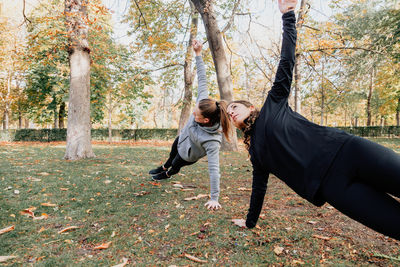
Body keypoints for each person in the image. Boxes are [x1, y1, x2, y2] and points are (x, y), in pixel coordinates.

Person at [229, 0, 400, 241]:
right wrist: (249, 222)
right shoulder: (256, 153)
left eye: (234, 107)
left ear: (250, 106)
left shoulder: (273, 104)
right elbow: (259, 189)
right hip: (335, 188)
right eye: (228, 115)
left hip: (348, 151)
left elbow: (286, 61)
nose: (231, 113)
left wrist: (288, 16)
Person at [149, 39, 231, 210]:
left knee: (177, 162)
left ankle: (167, 173)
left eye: (196, 114)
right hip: (182, 140)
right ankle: (164, 166)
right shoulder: (203, 103)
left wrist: (214, 198)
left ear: (206, 120)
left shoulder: (212, 142)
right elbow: (202, 79)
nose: (193, 114)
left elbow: (214, 170)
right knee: (172, 154)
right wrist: (198, 54)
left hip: (188, 155)